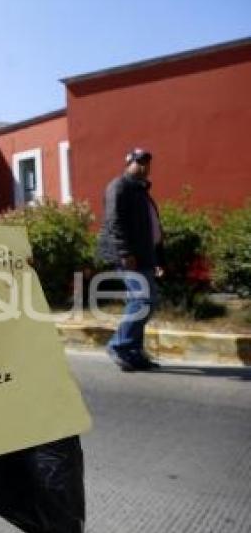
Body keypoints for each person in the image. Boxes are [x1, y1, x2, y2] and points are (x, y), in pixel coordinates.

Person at [98, 148, 164, 372]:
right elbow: (114, 222)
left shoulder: (141, 191)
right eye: (140, 162)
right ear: (129, 163)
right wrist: (125, 253)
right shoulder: (120, 186)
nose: (145, 166)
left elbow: (150, 228)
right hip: (129, 257)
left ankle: (134, 352)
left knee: (141, 303)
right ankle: (119, 345)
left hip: (144, 256)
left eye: (147, 162)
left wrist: (157, 259)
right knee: (143, 301)